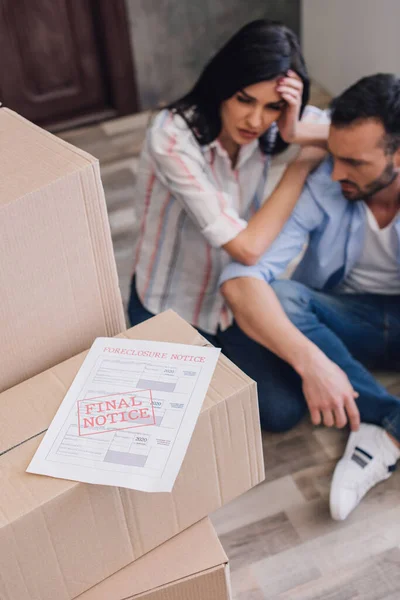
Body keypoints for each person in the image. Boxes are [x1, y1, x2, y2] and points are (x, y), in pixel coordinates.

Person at [220, 73, 400, 521]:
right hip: (346, 316)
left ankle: (383, 436)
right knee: (280, 297)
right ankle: (382, 418)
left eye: (354, 162)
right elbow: (242, 279)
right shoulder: (327, 181)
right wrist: (312, 363)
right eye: (335, 156)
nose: (337, 172)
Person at [128, 19, 329, 345]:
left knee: (285, 395)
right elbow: (248, 249)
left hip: (235, 299)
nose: (256, 121)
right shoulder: (172, 136)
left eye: (272, 107)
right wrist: (299, 168)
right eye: (244, 99)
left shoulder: (278, 122)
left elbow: (361, 138)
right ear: (223, 86)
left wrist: (296, 132)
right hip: (169, 307)